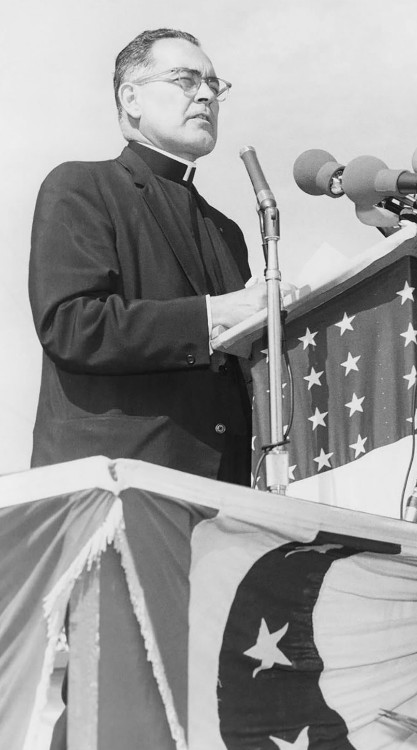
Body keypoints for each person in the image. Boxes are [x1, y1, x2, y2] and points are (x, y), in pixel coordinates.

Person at [28, 29, 276, 485]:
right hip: (117, 484)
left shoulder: (227, 231)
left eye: (214, 86)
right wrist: (213, 314)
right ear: (132, 98)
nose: (206, 95)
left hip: (231, 494)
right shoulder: (81, 186)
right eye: (185, 79)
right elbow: (72, 325)